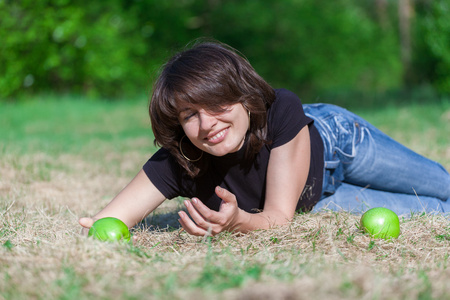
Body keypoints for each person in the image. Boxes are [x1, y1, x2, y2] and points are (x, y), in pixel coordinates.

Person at [79, 40, 450, 237]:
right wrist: (97, 227)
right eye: (190, 115)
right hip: (316, 197)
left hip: (338, 145)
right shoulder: (181, 159)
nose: (206, 124)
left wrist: (240, 222)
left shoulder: (283, 108)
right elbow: (113, 219)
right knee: (440, 212)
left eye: (216, 103)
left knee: (442, 185)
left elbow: (274, 216)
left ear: (242, 94)